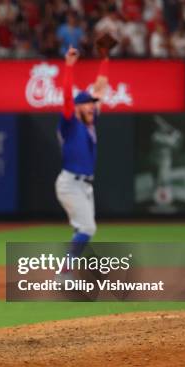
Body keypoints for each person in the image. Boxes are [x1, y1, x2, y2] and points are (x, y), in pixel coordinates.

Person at [55, 45, 108, 278]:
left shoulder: (89, 122)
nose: (92, 105)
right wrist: (68, 66)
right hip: (70, 183)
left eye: (92, 103)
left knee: (85, 228)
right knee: (87, 228)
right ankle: (64, 273)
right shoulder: (70, 122)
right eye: (87, 103)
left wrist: (105, 58)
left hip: (85, 185)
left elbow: (100, 88)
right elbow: (67, 95)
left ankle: (69, 268)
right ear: (77, 107)